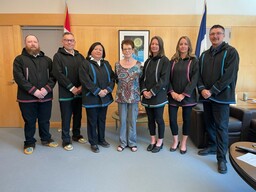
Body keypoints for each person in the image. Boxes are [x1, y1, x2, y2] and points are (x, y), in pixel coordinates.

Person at [197, 25, 239, 174]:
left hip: (221, 97)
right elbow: (198, 75)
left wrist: (212, 91)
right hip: (206, 97)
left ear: (223, 35)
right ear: (209, 36)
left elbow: (229, 76)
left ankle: (222, 159)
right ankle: (212, 146)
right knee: (209, 124)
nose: (215, 36)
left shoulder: (231, 52)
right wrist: (202, 89)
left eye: (218, 33)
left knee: (221, 127)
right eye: (212, 34)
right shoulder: (204, 55)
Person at [13, 35, 58, 155]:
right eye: (29, 41)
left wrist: (46, 89)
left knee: (45, 120)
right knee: (30, 121)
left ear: (38, 43)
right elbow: (19, 78)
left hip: (45, 96)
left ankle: (46, 139)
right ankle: (29, 142)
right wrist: (34, 91)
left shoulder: (47, 60)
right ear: (25, 44)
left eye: (35, 41)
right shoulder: (19, 60)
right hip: (27, 98)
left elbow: (53, 77)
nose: (32, 44)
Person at [52, 32, 86, 151]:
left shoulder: (80, 56)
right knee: (66, 117)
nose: (69, 42)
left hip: (80, 92)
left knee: (78, 115)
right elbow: (58, 74)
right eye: (67, 40)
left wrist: (81, 87)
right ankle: (66, 140)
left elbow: (85, 72)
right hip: (66, 93)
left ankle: (76, 135)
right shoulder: (58, 56)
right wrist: (72, 88)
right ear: (63, 42)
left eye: (71, 40)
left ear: (74, 42)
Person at [79, 42, 115, 153]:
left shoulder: (106, 64)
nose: (98, 51)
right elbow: (85, 81)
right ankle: (93, 142)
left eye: (100, 49)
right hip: (92, 97)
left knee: (102, 119)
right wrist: (98, 91)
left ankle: (101, 139)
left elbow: (112, 78)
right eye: (96, 49)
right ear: (91, 51)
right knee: (92, 121)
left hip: (105, 97)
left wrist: (107, 90)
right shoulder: (85, 64)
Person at [168, 36, 199, 154]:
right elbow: (167, 79)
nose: (183, 46)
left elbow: (195, 79)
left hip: (187, 96)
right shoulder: (173, 61)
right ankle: (175, 141)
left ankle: (184, 142)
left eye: (185, 44)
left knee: (187, 120)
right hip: (173, 95)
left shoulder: (194, 60)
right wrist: (172, 93)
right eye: (181, 44)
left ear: (189, 46)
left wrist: (184, 94)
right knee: (172, 119)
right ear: (178, 46)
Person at [140, 36, 171, 153]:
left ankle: (160, 141)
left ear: (160, 46)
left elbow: (164, 79)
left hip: (158, 96)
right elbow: (142, 79)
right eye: (152, 44)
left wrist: (152, 92)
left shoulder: (165, 60)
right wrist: (144, 91)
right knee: (150, 120)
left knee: (159, 119)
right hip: (146, 96)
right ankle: (152, 140)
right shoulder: (147, 61)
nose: (154, 46)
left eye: (156, 44)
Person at [115, 39, 142, 152]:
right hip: (121, 96)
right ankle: (122, 143)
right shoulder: (117, 64)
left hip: (134, 97)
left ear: (133, 50)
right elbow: (116, 80)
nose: (127, 51)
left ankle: (132, 142)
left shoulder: (138, 64)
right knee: (122, 120)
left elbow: (141, 81)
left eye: (129, 48)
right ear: (122, 50)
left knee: (132, 121)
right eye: (124, 49)